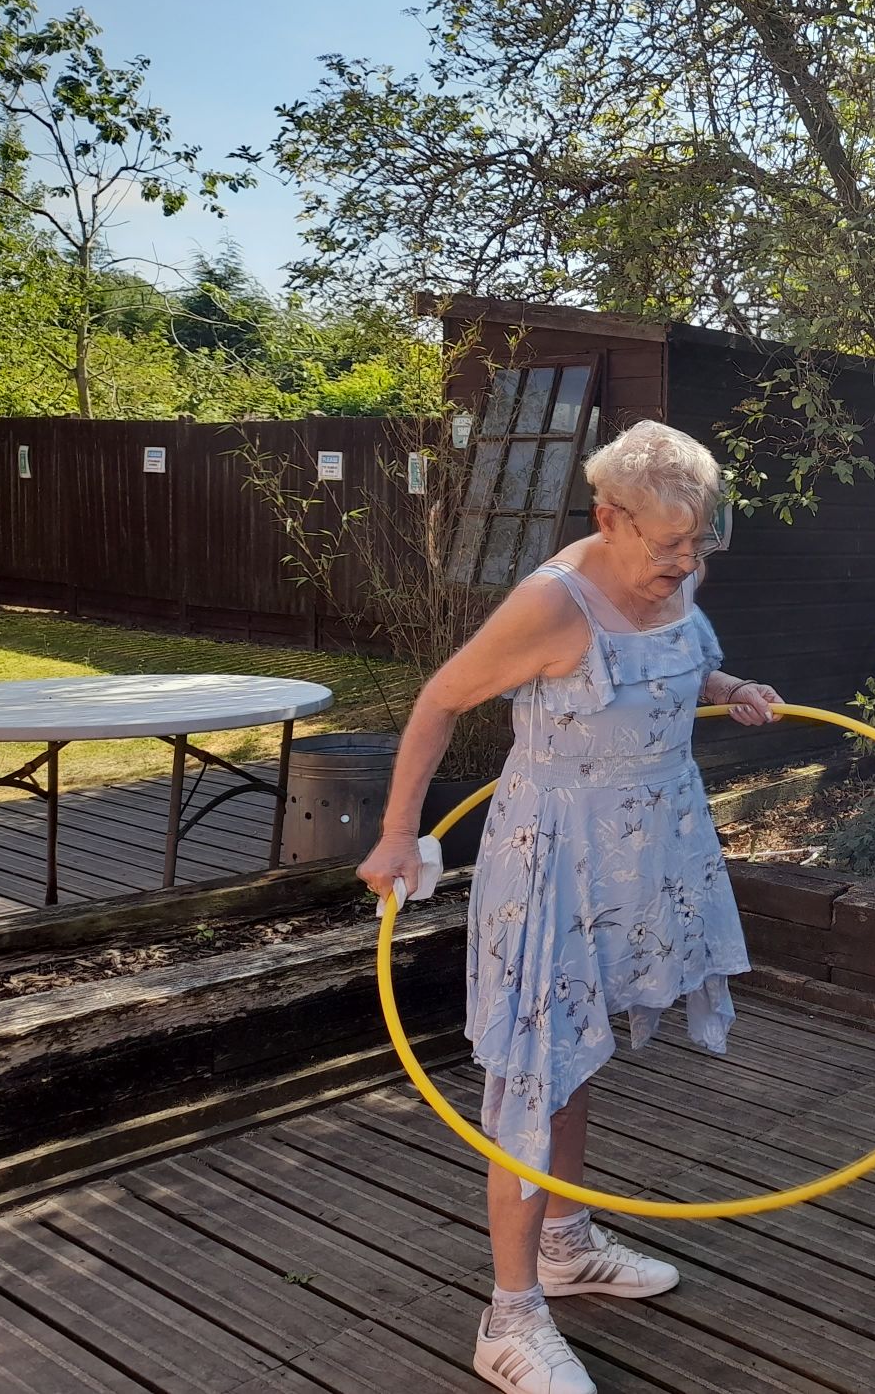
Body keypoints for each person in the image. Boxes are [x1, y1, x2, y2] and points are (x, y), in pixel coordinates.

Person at [359, 419, 783, 1394]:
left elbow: (676, 666)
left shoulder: (673, 574)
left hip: (642, 855)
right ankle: (508, 1317)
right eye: (668, 545)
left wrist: (730, 686)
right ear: (609, 517)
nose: (685, 564)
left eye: (700, 543)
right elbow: (439, 699)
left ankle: (564, 1245)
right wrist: (397, 833)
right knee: (530, 1074)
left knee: (574, 1055)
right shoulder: (551, 605)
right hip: (553, 864)